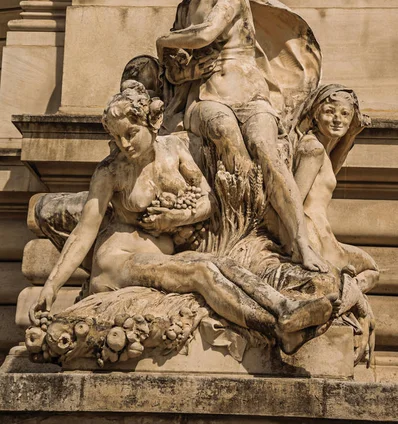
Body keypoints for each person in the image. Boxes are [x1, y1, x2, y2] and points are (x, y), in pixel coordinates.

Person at [30, 83, 337, 354]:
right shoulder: (111, 172)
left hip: (155, 258)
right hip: (117, 262)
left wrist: (175, 218)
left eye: (131, 133)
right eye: (117, 136)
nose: (124, 144)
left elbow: (208, 200)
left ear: (153, 121)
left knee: (222, 264)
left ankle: (286, 307)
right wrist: (52, 285)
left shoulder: (175, 149)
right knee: (202, 272)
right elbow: (84, 232)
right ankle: (278, 326)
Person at [157, 0, 327, 274]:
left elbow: (206, 34)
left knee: (268, 152)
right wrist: (183, 68)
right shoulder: (183, 9)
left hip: (249, 92)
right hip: (206, 99)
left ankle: (301, 244)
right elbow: (176, 71)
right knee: (225, 134)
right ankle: (235, 234)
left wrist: (165, 41)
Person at [293, 84, 379, 363]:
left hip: (322, 231)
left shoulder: (321, 149)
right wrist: (301, 243)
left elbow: (332, 169)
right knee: (370, 271)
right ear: (315, 113)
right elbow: (293, 199)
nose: (337, 119)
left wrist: (352, 134)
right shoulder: (312, 149)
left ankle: (346, 293)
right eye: (330, 111)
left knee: (371, 269)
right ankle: (348, 296)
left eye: (345, 113)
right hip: (311, 231)